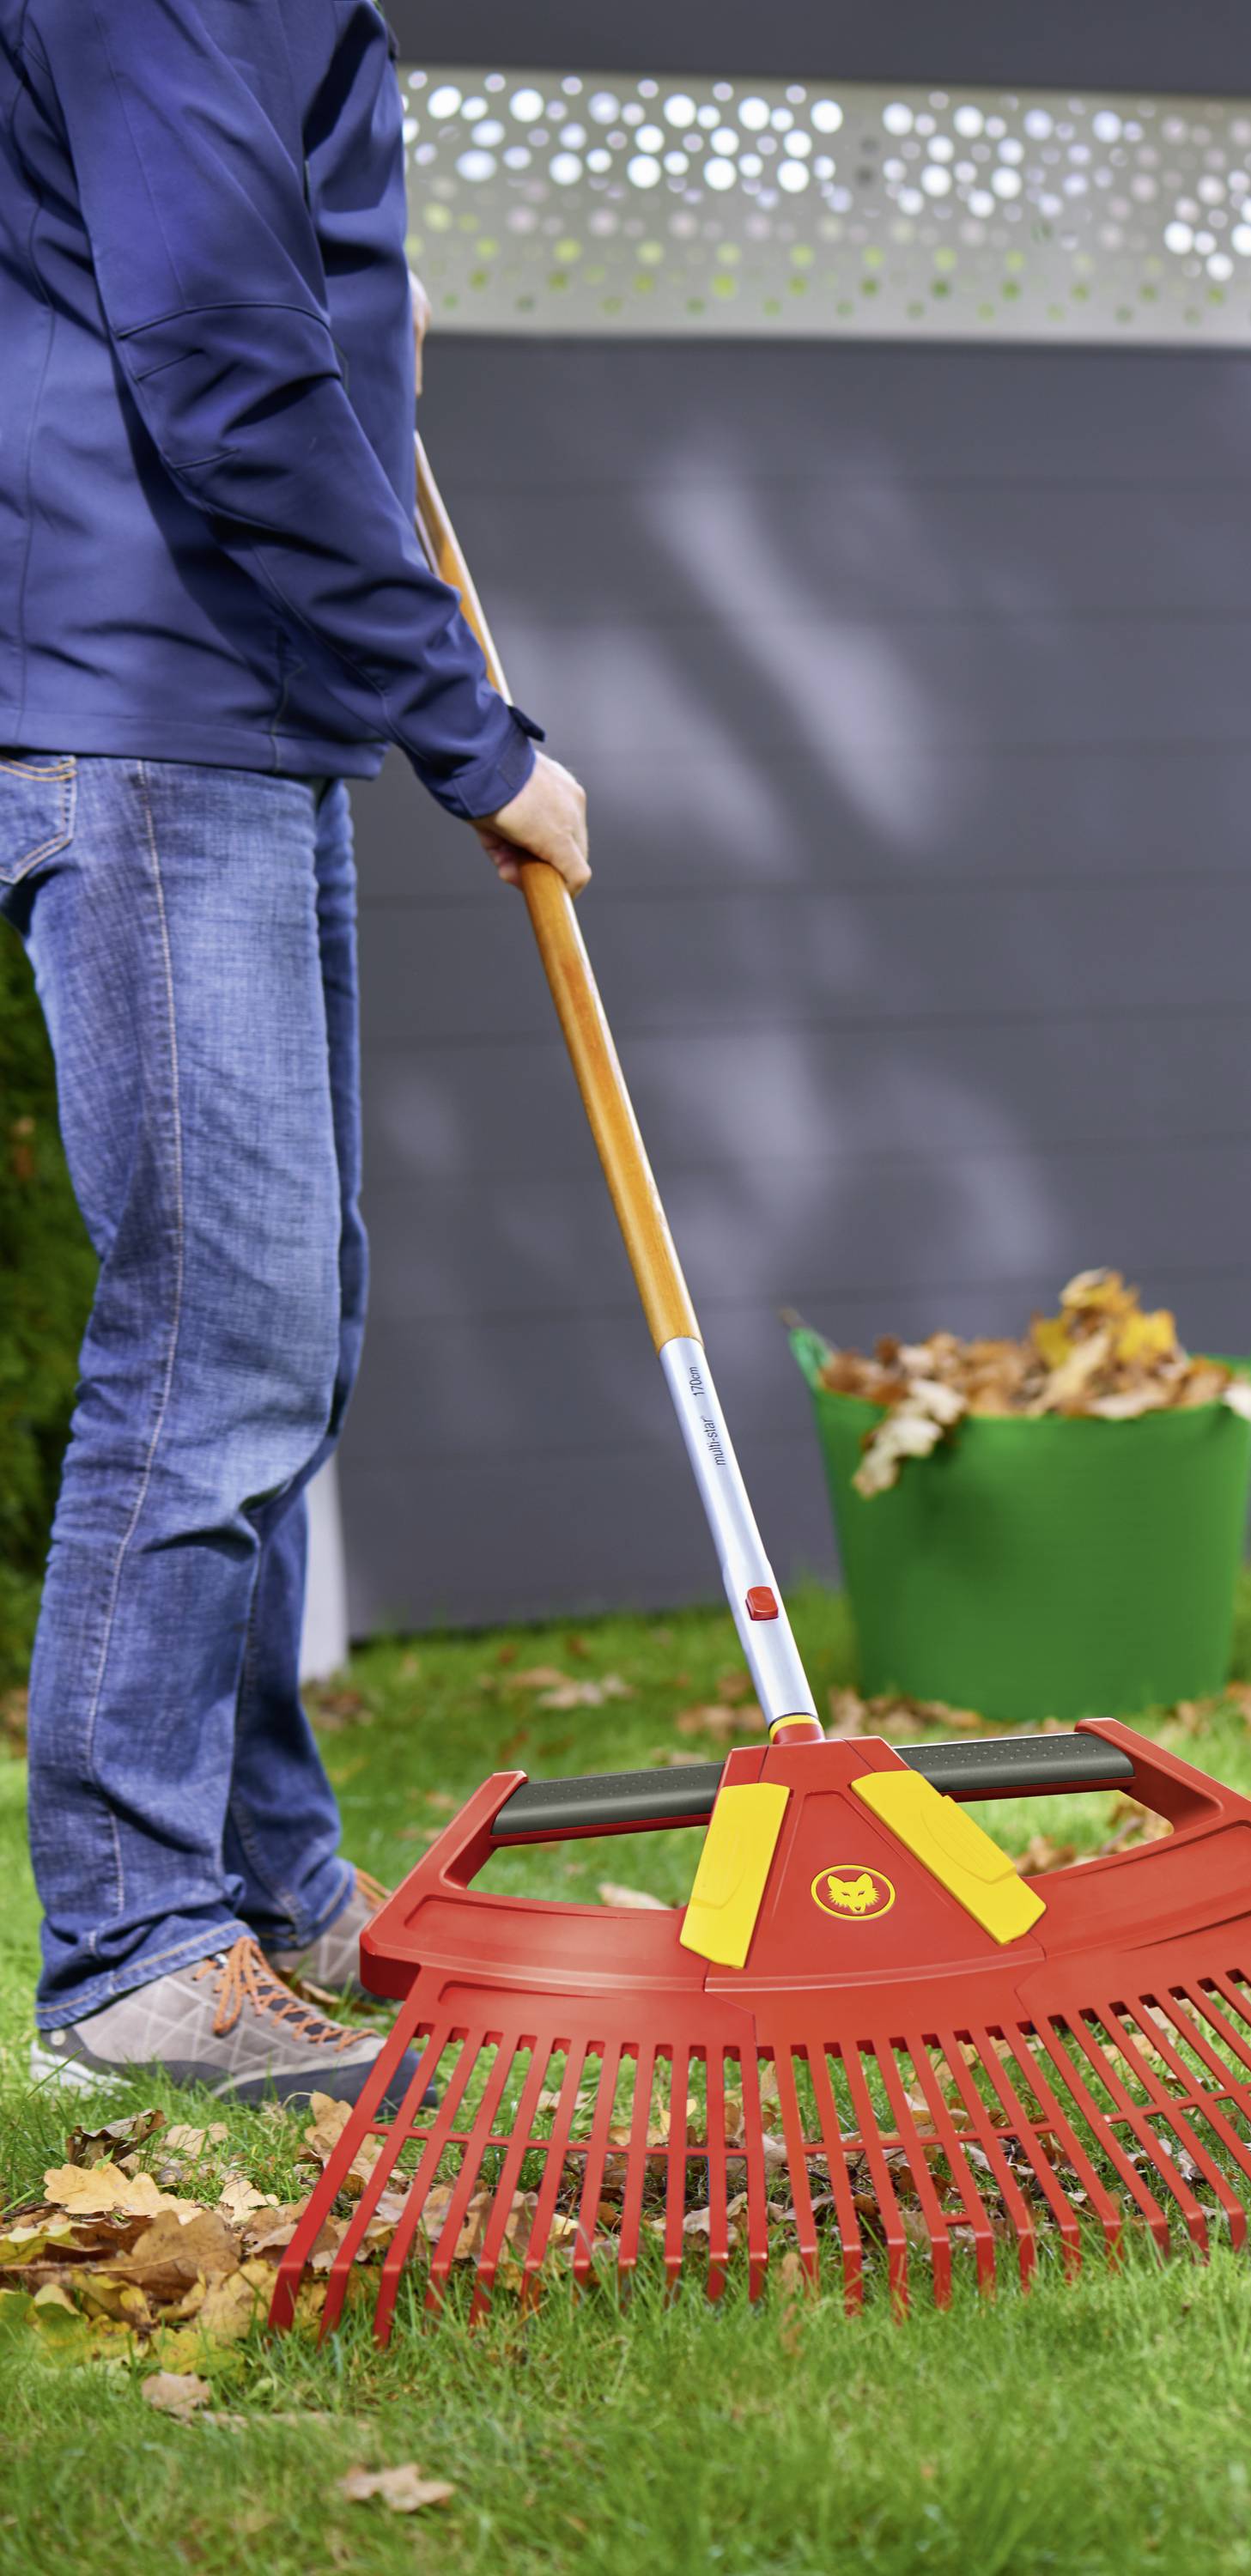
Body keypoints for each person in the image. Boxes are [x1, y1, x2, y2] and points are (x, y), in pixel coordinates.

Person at [0, 2, 588, 2103]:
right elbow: (223, 360)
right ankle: (136, 1954)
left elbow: (266, 307)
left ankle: (253, 1881)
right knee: (215, 1338)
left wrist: (369, 316)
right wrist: (471, 733)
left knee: (287, 1324)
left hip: (239, 714)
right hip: (153, 707)